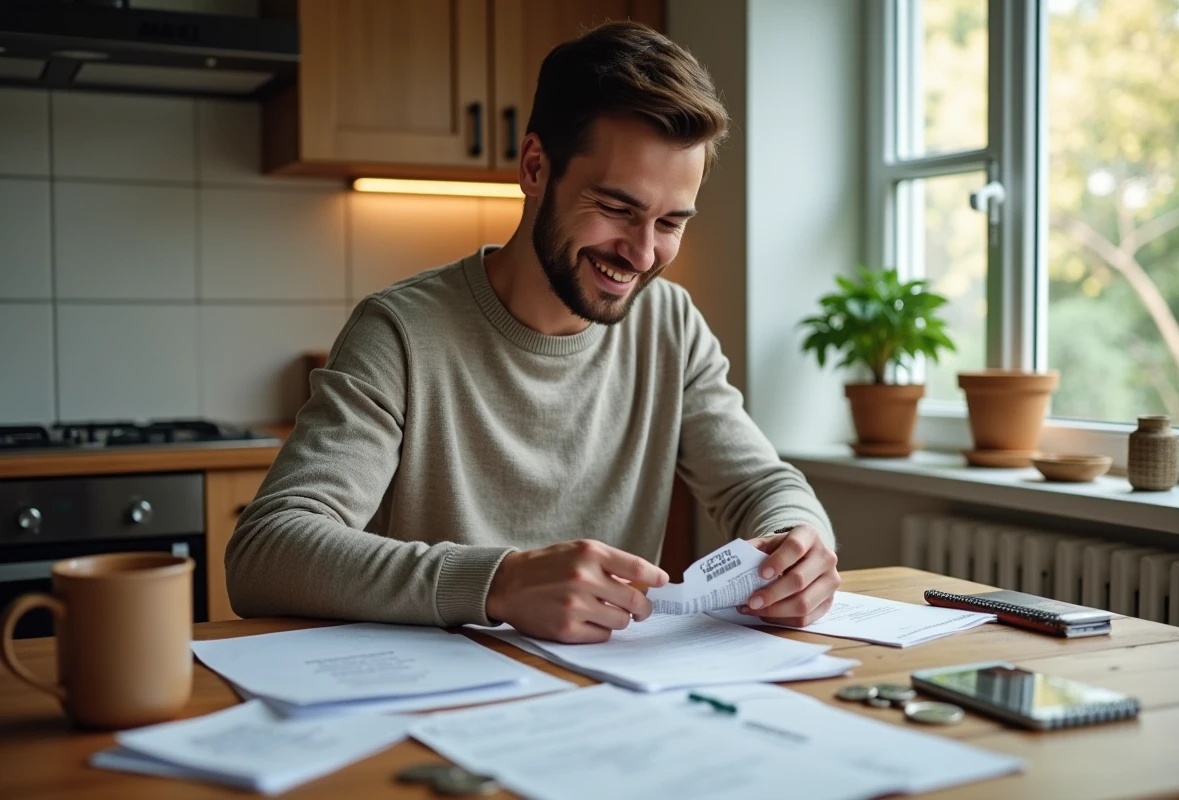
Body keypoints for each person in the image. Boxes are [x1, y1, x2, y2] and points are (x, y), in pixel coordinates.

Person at [226, 21, 840, 644]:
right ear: (535, 167)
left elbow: (761, 485)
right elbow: (267, 551)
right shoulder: (402, 332)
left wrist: (797, 544)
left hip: (611, 702)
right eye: (617, 209)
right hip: (436, 702)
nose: (642, 253)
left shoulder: (671, 326)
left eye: (671, 222)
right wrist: (499, 582)